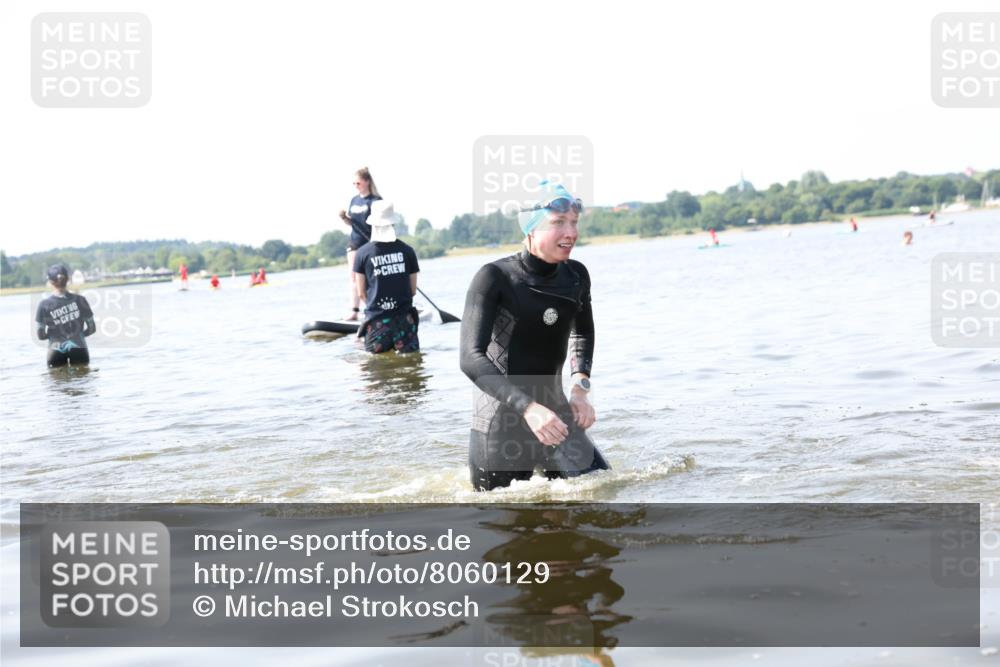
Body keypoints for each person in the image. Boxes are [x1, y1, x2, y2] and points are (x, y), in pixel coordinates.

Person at [460, 181, 610, 491]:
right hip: (502, 424)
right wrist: (528, 408)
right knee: (511, 528)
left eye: (574, 222)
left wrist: (580, 388)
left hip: (556, 416)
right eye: (558, 223)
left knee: (604, 495)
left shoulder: (576, 275)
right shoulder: (494, 278)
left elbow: (582, 332)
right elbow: (471, 358)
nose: (571, 232)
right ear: (530, 227)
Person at [353, 201, 420, 353]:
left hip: (377, 323)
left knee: (377, 370)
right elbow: (413, 290)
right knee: (411, 368)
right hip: (405, 320)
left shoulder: (362, 254)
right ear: (393, 224)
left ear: (373, 225)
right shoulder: (408, 251)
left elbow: (361, 293)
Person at [339, 167, 382, 321]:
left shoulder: (376, 201)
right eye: (354, 183)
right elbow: (352, 223)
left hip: (370, 243)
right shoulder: (354, 200)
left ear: (367, 182)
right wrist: (345, 218)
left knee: (371, 277)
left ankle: (374, 307)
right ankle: (355, 310)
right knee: (353, 277)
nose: (355, 185)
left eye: (358, 182)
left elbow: (381, 223)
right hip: (355, 242)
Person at [35, 264, 96, 368]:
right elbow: (92, 328)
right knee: (82, 380)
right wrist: (78, 335)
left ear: (50, 282)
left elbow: (40, 335)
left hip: (55, 350)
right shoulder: (81, 300)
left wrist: (52, 336)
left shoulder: (44, 305)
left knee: (58, 382)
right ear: (68, 279)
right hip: (79, 347)